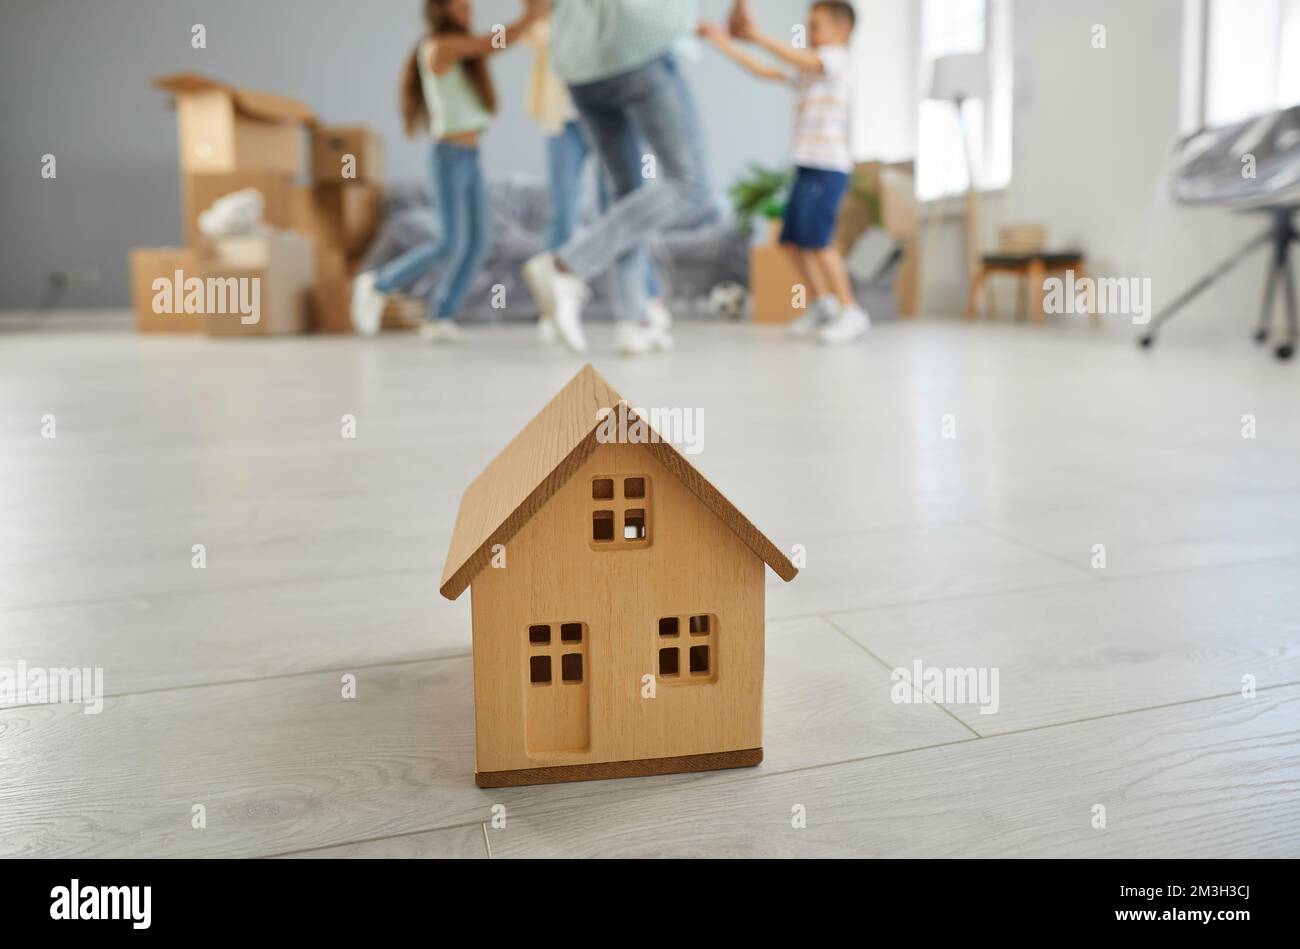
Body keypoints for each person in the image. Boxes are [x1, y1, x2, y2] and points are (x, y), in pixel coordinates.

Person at [523, 0, 741, 356]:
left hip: (579, 63)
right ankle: (567, 265)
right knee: (689, 184)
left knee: (626, 194)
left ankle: (632, 320)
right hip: (639, 44)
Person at [351, 0, 549, 341]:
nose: (468, 11)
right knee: (449, 243)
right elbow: (494, 43)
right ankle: (378, 283)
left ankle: (441, 315)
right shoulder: (439, 47)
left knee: (479, 242)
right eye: (460, 6)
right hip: (449, 157)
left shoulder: (460, 56)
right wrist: (529, 17)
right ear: (441, 10)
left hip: (472, 158)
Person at [701, 1, 869, 344]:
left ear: (842, 30)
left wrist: (756, 35)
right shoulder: (808, 70)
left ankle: (851, 310)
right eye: (808, 25)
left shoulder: (837, 59)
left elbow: (797, 57)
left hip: (829, 167)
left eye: (817, 25)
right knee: (792, 241)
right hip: (806, 166)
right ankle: (823, 304)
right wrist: (724, 43)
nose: (810, 33)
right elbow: (765, 71)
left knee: (820, 242)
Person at [522, 16, 672, 346]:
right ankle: (555, 305)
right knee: (563, 209)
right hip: (563, 119)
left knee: (622, 207)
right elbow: (526, 32)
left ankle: (646, 302)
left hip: (611, 112)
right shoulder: (550, 19)